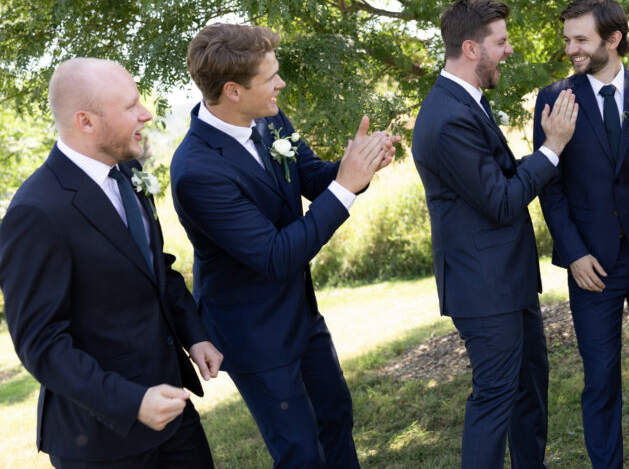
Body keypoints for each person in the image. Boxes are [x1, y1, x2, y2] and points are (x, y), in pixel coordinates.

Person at [170, 23, 398, 468]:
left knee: (336, 419)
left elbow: (311, 176)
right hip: (254, 333)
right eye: (271, 76)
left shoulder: (269, 118)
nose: (281, 83)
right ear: (233, 91)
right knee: (299, 452)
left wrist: (359, 165)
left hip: (303, 314)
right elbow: (275, 255)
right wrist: (346, 188)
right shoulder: (197, 171)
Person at [0, 58, 222, 468]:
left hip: (175, 413)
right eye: (129, 106)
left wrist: (195, 335)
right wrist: (132, 401)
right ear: (85, 121)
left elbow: (157, 267)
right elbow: (41, 343)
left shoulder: (129, 173)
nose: (146, 113)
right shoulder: (37, 211)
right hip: (101, 440)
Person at [412, 0, 578, 469]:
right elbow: (502, 200)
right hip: (483, 286)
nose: (508, 51)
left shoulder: (465, 104)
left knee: (529, 391)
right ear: (471, 48)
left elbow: (494, 184)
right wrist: (553, 149)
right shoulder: (447, 119)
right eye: (501, 42)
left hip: (505, 279)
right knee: (495, 399)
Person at [532, 0, 629, 469]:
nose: (571, 49)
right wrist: (573, 254)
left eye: (581, 39)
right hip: (590, 265)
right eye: (567, 39)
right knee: (600, 377)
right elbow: (549, 189)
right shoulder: (553, 98)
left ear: (613, 39)